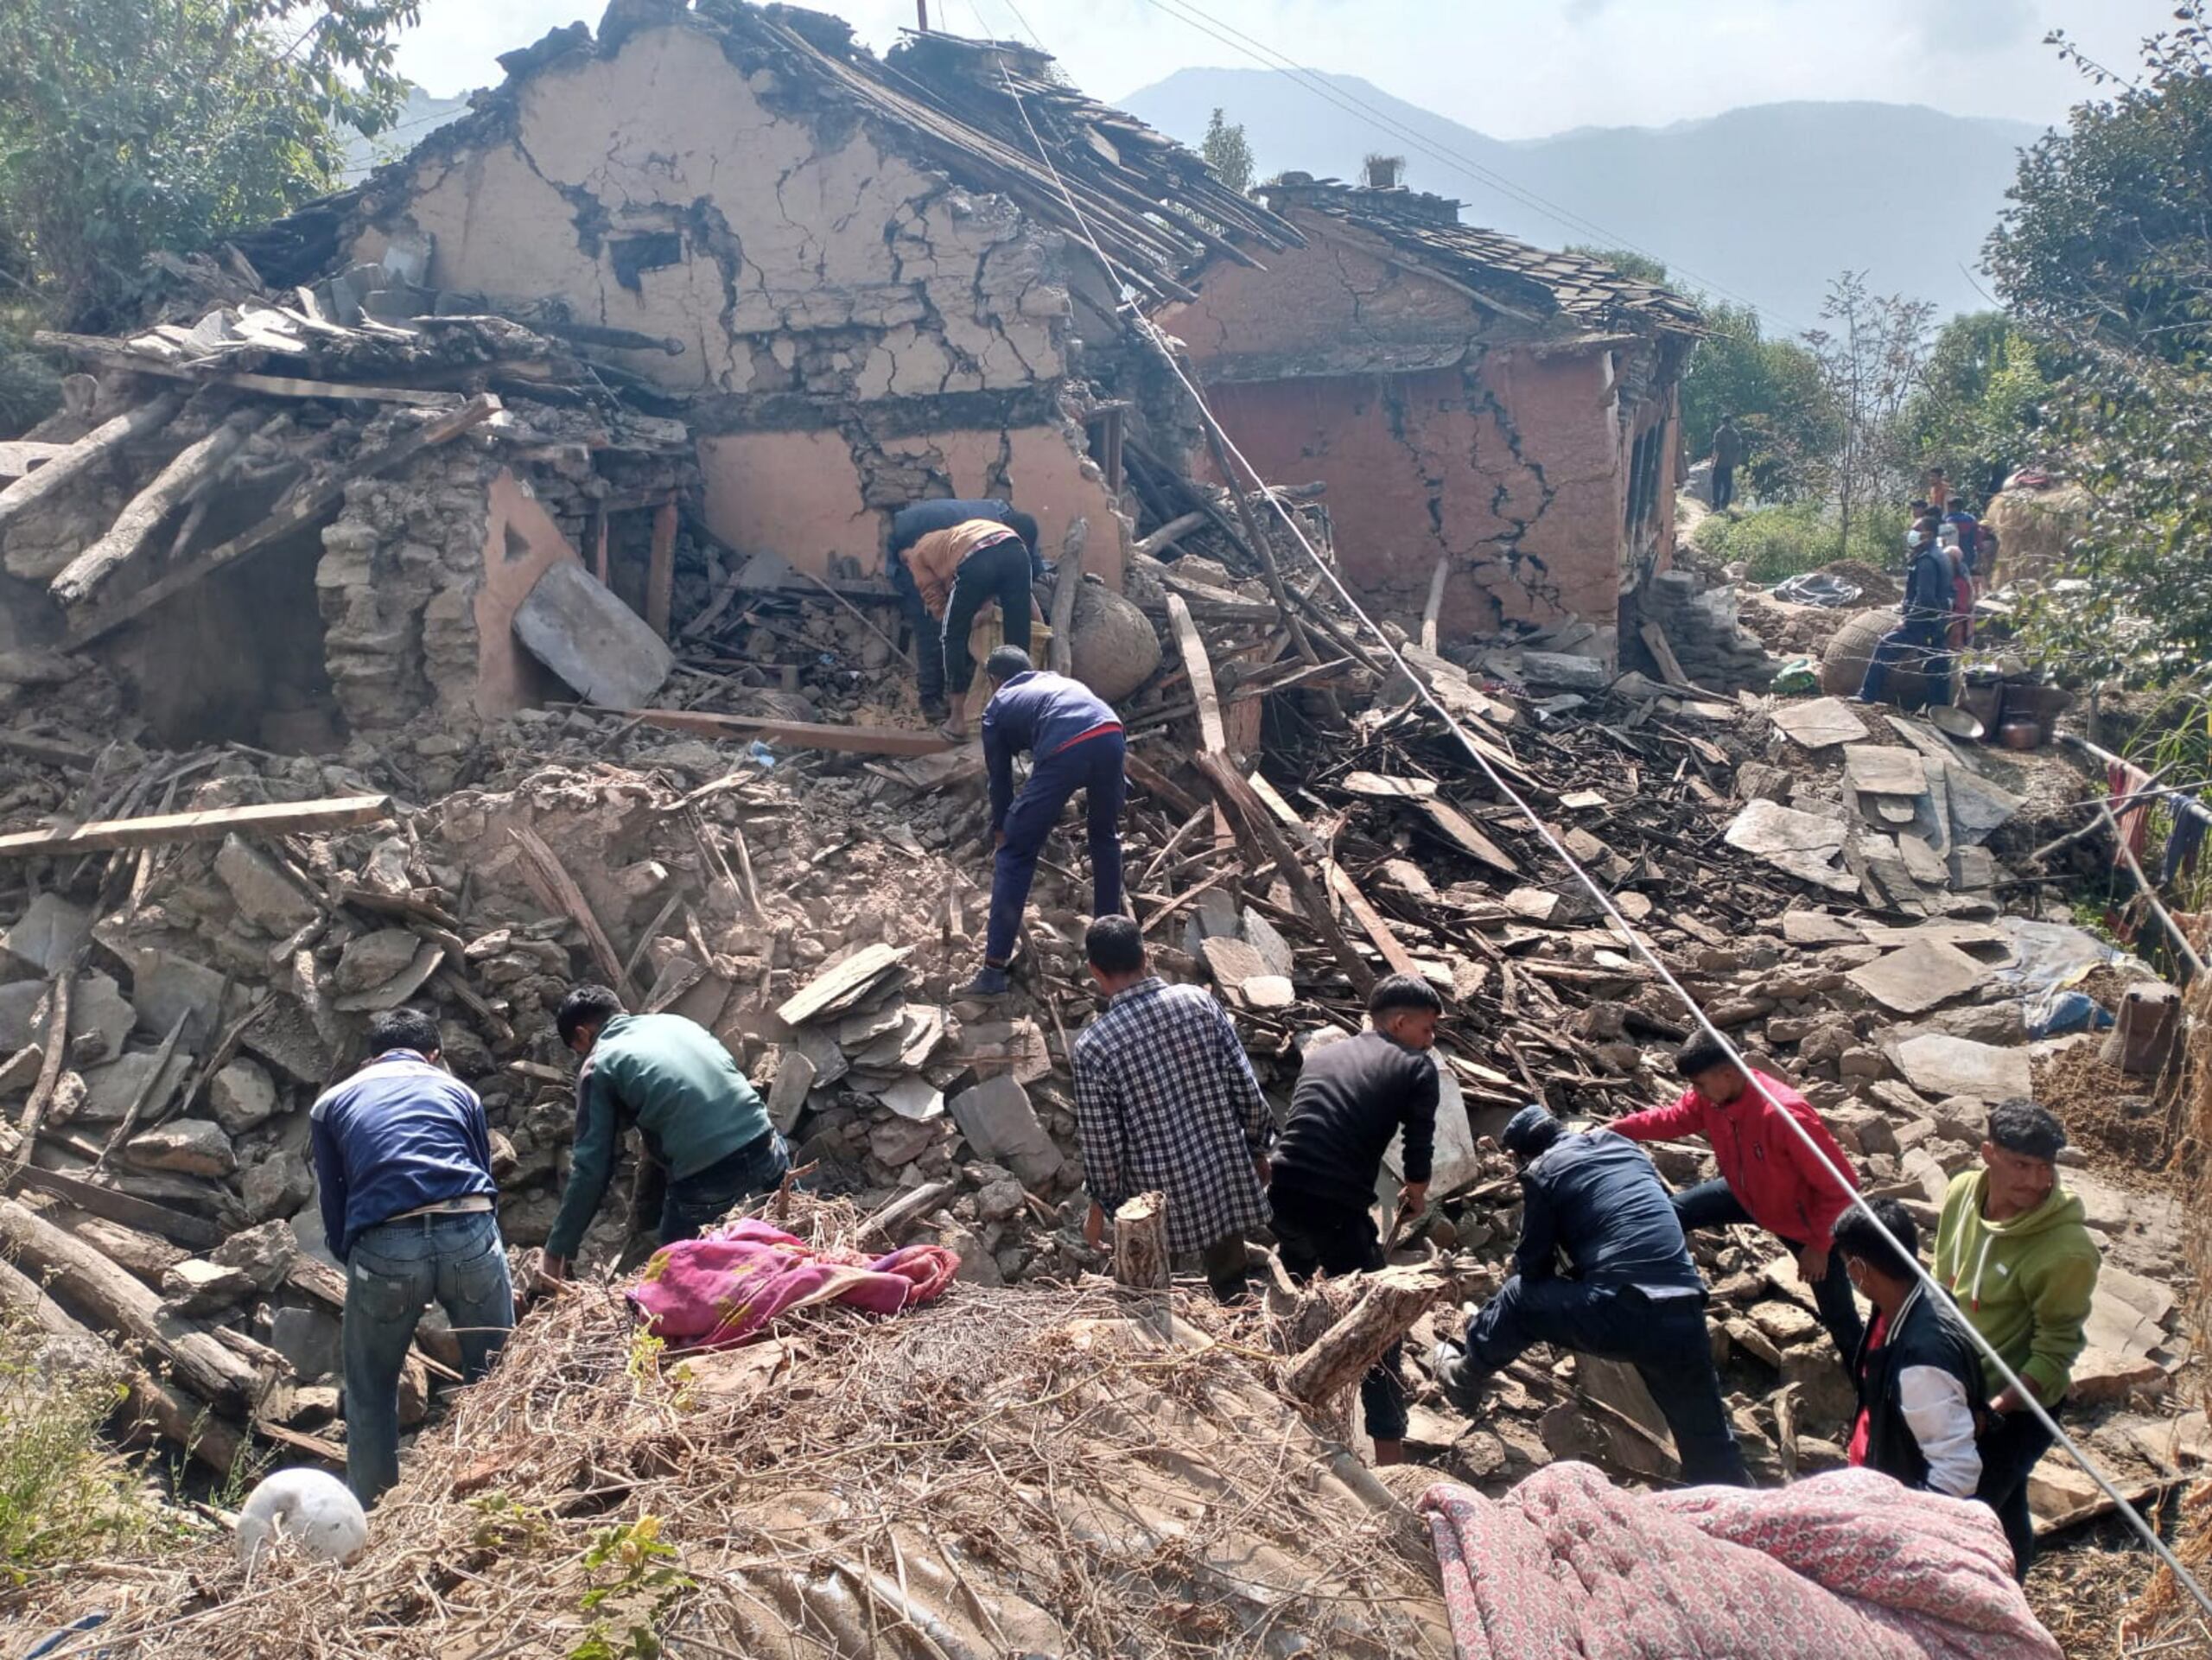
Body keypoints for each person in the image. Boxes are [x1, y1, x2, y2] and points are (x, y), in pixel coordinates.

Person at [1434, 1104, 1749, 1486]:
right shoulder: (1625, 1147)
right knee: (1707, 1436)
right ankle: (1729, 1507)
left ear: (1523, 1155)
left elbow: (1533, 1268)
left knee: (1519, 1298)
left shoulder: (1544, 1170)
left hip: (1624, 1308)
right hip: (1684, 1301)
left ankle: (1465, 1376)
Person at [308, 1008, 513, 1506]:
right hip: (469, 1228)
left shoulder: (331, 1102)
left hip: (385, 1241)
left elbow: (333, 1196)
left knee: (371, 1387)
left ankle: (374, 1515)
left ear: (369, 1058)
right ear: (435, 1056)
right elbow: (480, 1167)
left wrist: (354, 1255)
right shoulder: (460, 1091)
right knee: (497, 1372)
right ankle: (498, 1490)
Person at [1268, 973, 1444, 1466]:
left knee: (1298, 1286)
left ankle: (1275, 1388)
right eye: (1428, 1030)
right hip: (1336, 1205)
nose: (1431, 1042)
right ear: (1401, 1022)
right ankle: (1390, 1456)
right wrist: (1417, 1194)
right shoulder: (1416, 1067)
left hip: (1282, 1192)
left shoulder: (1324, 1055)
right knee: (1378, 1325)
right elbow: (1418, 1148)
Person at [1610, 1035, 1863, 1366]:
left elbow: (1844, 1187)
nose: (1695, 1093)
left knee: (1839, 1316)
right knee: (1668, 1215)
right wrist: (1617, 1130)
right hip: (1747, 1195)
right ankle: (1634, 1294)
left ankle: (1871, 1387)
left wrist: (1818, 1245)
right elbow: (1674, 1119)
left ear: (1727, 1073)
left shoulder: (1785, 1116)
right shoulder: (1714, 1098)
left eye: (1699, 1084)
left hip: (1803, 1222)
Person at [1934, 1099, 2101, 1580]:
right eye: (2021, 1165)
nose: (2035, 1181)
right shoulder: (1963, 1191)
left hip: (2021, 1410)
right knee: (2004, 1511)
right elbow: (1943, 1282)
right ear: (1988, 1153)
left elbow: (2057, 1350)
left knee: (1969, 1520)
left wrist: (1993, 1410)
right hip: (1963, 1390)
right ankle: (2017, 1589)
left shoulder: (2066, 1252)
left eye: (2045, 1168)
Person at [1070, 915, 1273, 1301]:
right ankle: (1238, 1318)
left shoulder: (1095, 1046)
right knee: (1232, 1283)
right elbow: (1246, 1089)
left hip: (1153, 1204)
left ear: (1095, 971)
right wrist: (1258, 1148)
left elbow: (1104, 1148)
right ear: (1146, 957)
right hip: (1221, 1175)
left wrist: (1102, 1207)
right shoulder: (1198, 1002)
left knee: (1154, 1294)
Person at [540, 986, 790, 1280]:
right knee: (799, 1225)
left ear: (582, 1034)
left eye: (577, 1050)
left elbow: (591, 1169)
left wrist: (557, 1249)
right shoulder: (675, 1022)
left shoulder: (600, 1063)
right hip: (766, 1142)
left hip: (707, 1175)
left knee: (673, 1274)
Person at [962, 646, 1126, 997]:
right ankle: (1110, 956)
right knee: (1104, 839)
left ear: (994, 680)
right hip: (1112, 733)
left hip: (1068, 744)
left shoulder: (999, 703)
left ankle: (992, 972)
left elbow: (1000, 778)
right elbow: (1090, 729)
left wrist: (1003, 828)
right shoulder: (1057, 681)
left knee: (1015, 855)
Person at [1832, 1199, 1985, 1498]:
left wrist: (1905, 1519)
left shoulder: (1921, 1364)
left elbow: (1956, 1473)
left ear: (1859, 1268)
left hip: (1900, 1505)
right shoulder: (1911, 1297)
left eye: (1845, 1263)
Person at [886, 498, 1041, 726]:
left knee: (949, 637)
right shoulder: (976, 527)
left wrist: (954, 623)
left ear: (903, 555)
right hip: (1012, 555)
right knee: (1017, 643)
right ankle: (1023, 710)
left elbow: (934, 601)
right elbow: (999, 573)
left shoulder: (918, 555)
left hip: (977, 558)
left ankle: (954, 717)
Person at [1855, 525, 1955, 709]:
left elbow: (1925, 598)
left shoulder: (1926, 561)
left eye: (1917, 530)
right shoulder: (1941, 556)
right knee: (1937, 661)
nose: (1912, 534)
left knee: (1887, 645)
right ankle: (1939, 707)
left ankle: (1868, 694)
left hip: (1924, 621)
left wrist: (1908, 621)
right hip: (1938, 620)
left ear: (1929, 534)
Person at [1711, 416, 1745, 512]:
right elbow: (1739, 450)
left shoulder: (1719, 433)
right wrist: (1735, 462)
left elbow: (1716, 449)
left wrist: (1712, 462)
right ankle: (1724, 506)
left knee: (1716, 486)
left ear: (1722, 422)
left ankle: (1715, 506)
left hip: (1719, 463)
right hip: (1729, 464)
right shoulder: (1736, 434)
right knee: (1727, 486)